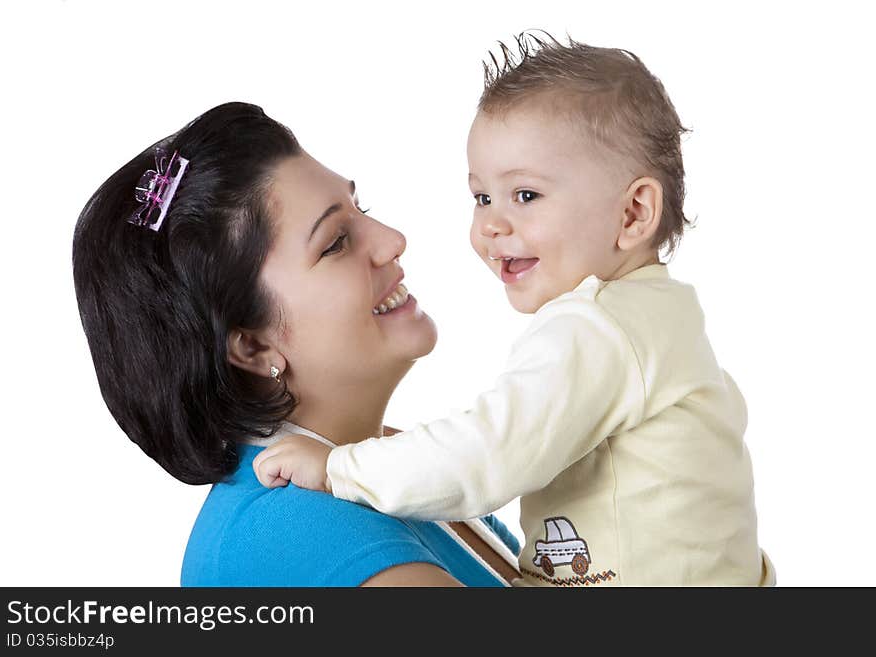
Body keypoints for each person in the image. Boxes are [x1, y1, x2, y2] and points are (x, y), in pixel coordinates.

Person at [253, 35, 776, 586]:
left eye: (525, 195)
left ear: (634, 213)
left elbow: (485, 454)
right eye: (481, 197)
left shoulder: (595, 328)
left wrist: (339, 469)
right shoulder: (659, 315)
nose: (491, 226)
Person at [72, 101, 519, 586]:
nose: (392, 240)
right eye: (334, 242)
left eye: (360, 209)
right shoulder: (287, 535)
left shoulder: (397, 463)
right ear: (251, 347)